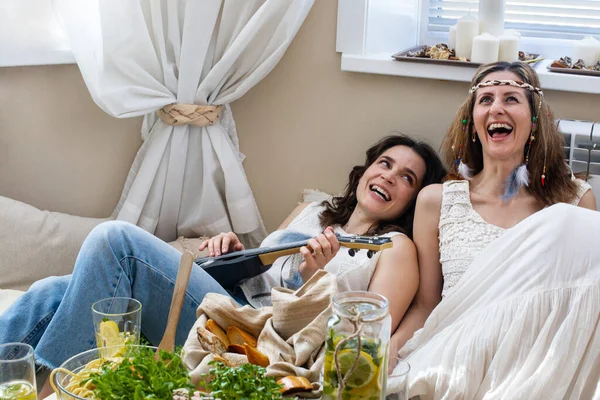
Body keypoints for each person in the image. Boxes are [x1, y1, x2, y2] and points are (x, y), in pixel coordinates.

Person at [0, 134, 445, 379]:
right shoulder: (316, 209)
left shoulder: (395, 248)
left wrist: (313, 279)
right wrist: (235, 250)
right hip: (227, 294)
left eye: (407, 177)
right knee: (51, 290)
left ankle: (52, 386)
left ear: (412, 200)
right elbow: (262, 265)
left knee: (115, 241)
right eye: (385, 163)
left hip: (257, 337)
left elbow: (364, 336)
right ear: (366, 168)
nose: (389, 176)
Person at [388, 61, 599, 399]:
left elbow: (584, 312)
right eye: (485, 99)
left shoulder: (575, 205)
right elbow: (426, 307)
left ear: (534, 121)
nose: (496, 107)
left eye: (511, 98)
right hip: (453, 359)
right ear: (472, 123)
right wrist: (385, 352)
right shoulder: (437, 202)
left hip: (536, 371)